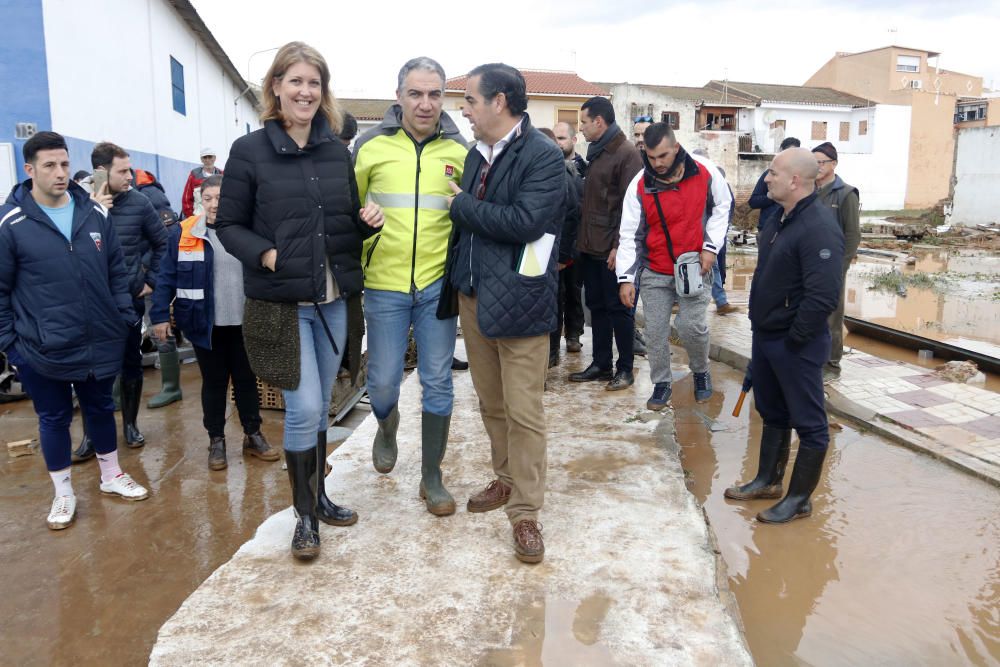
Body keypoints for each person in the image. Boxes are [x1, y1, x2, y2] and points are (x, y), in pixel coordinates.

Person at [215, 42, 383, 560]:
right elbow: (228, 225)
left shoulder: (336, 151)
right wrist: (264, 253)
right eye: (296, 82)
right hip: (283, 305)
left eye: (314, 83)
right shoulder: (250, 152)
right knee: (304, 406)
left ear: (322, 93)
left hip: (334, 302)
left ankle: (321, 495)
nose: (305, 92)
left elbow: (339, 223)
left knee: (320, 412)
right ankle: (304, 518)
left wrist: (363, 222)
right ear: (276, 88)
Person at [441, 63, 564, 563]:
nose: (464, 110)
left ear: (500, 102)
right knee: (491, 404)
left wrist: (461, 205)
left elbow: (526, 221)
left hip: (521, 303)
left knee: (524, 412)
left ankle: (527, 512)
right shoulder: (476, 155)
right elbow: (470, 233)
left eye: (470, 100)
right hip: (475, 298)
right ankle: (506, 480)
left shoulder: (543, 155)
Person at [0, 131, 149, 531]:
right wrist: (12, 347)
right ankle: (63, 492)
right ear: (30, 170)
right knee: (54, 418)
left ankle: (111, 475)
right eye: (49, 166)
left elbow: (117, 272)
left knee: (101, 408)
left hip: (100, 339)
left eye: (65, 163)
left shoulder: (95, 214)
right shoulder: (11, 223)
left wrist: (122, 320)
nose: (60, 173)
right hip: (42, 346)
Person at [352, 56, 468, 516]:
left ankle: (431, 477)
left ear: (444, 98)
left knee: (438, 380)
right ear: (398, 96)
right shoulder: (369, 148)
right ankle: (386, 423)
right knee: (382, 384)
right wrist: (362, 223)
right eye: (415, 94)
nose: (425, 104)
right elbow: (347, 210)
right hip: (384, 284)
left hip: (438, 287)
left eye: (434, 94)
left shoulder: (460, 153)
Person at [724, 147, 844, 524]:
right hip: (767, 335)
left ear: (795, 180)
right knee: (772, 411)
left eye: (773, 172)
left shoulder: (819, 227)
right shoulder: (779, 217)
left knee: (810, 423)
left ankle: (799, 499)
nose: (767, 178)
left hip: (796, 343)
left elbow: (823, 295)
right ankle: (767, 481)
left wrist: (795, 339)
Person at [150, 175, 279, 470]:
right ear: (200, 201)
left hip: (245, 323)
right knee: (214, 383)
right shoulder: (184, 233)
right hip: (203, 325)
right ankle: (217, 441)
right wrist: (158, 316)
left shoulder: (249, 230)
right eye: (207, 198)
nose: (213, 204)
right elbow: (166, 277)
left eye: (220, 198)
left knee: (247, 381)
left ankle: (253, 434)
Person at [616, 123, 729, 409]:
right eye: (651, 157)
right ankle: (661, 383)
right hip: (655, 270)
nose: (658, 163)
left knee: (690, 326)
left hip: (695, 266)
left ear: (676, 148)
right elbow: (629, 234)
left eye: (663, 156)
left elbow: (722, 207)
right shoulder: (640, 184)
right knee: (654, 331)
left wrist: (710, 246)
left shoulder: (704, 170)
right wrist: (626, 278)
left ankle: (701, 371)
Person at [73, 141, 168, 461]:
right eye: (123, 171)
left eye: (130, 169)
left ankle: (130, 425)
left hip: (128, 301)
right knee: (90, 372)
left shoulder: (140, 203)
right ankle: (90, 435)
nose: (130, 176)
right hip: (89, 304)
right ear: (102, 172)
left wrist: (149, 281)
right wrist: (94, 210)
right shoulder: (78, 204)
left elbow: (163, 244)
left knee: (130, 365)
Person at [571, 96, 643, 390]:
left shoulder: (626, 154)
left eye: (584, 123)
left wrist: (618, 247)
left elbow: (631, 207)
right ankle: (601, 363)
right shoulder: (597, 151)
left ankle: (625, 368)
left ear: (599, 122)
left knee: (619, 309)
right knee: (596, 306)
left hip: (611, 249)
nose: (582, 129)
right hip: (590, 244)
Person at [133, 166, 184, 409]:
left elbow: (167, 239)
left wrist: (152, 278)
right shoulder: (115, 197)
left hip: (149, 279)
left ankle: (171, 387)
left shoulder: (149, 195)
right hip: (131, 278)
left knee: (159, 327)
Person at [812, 142, 860, 381]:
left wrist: (840, 267)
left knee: (832, 316)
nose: (817, 167)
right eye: (814, 162)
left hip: (832, 267)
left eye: (822, 162)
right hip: (808, 265)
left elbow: (852, 235)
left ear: (834, 164)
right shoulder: (807, 190)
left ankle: (831, 366)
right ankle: (811, 360)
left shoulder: (845, 194)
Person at [538, 127, 583, 368]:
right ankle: (551, 351)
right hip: (552, 251)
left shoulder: (563, 176)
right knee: (555, 299)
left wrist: (563, 256)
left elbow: (572, 215)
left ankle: (553, 351)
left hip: (562, 252)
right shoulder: (551, 173)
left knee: (560, 298)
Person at [551, 121, 585, 354]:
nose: (558, 142)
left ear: (573, 140)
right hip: (556, 241)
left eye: (562, 138)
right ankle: (554, 342)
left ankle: (573, 334)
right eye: (555, 138)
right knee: (555, 294)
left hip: (577, 242)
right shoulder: (550, 167)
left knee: (573, 290)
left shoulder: (586, 168)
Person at [749, 136, 800, 227]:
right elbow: (753, 202)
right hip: (768, 227)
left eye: (794, 154)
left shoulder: (803, 176)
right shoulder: (769, 174)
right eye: (787, 153)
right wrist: (770, 197)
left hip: (792, 228)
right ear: (781, 152)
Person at [181, 148, 223, 218]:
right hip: (199, 218)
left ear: (214, 158)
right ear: (201, 159)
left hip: (218, 217)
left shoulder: (222, 175)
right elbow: (186, 198)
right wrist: (191, 217)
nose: (207, 160)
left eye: (210, 157)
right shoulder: (194, 175)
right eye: (205, 157)